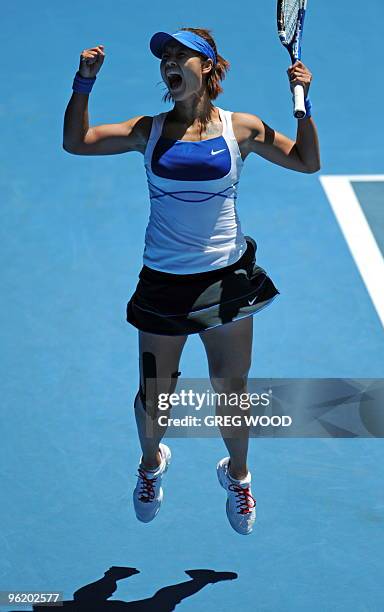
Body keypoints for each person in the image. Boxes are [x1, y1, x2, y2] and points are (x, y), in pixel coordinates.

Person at [63, 27, 320, 536]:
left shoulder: (240, 129)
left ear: (209, 68)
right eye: (166, 58)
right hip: (163, 281)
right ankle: (151, 463)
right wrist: (83, 83)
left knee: (231, 389)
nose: (170, 64)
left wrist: (303, 106)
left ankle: (239, 475)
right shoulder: (148, 130)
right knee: (156, 395)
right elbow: (77, 143)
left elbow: (307, 162)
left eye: (183, 56)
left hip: (226, 280)